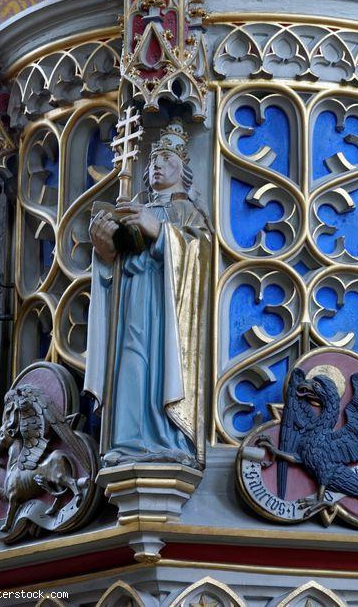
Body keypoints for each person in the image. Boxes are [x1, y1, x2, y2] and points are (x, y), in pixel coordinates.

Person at [85, 119, 211, 466]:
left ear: (183, 170)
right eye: (154, 160)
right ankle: (126, 442)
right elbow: (113, 268)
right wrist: (105, 251)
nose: (156, 165)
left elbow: (202, 259)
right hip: (130, 304)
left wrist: (160, 232)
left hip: (166, 313)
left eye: (166, 159)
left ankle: (167, 439)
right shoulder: (135, 206)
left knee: (159, 369)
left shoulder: (187, 210)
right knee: (130, 364)